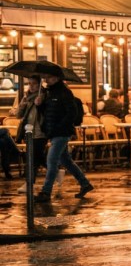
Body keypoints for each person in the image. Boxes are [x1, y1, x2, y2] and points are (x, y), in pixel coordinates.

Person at [35, 72, 93, 202]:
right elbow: (47, 112)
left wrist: (60, 127)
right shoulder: (50, 93)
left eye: (48, 77)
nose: (46, 79)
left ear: (56, 78)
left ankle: (46, 192)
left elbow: (71, 113)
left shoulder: (64, 93)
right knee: (66, 161)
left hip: (62, 133)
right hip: (53, 132)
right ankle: (85, 184)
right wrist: (39, 105)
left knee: (51, 162)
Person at [14, 75, 48, 177]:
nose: (31, 86)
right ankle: (55, 170)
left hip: (40, 131)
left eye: (34, 83)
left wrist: (41, 104)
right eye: (29, 83)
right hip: (29, 132)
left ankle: (29, 182)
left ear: (39, 84)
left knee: (33, 157)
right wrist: (22, 106)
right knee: (37, 157)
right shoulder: (26, 97)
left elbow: (47, 113)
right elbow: (18, 115)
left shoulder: (44, 96)